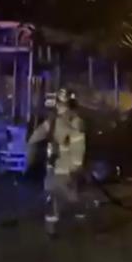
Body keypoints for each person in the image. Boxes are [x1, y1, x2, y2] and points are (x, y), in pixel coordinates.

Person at [25, 88, 86, 237]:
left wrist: (76, 166)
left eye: (62, 104)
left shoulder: (76, 122)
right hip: (53, 166)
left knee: (70, 197)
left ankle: (80, 214)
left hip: (67, 168)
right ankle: (51, 227)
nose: (60, 107)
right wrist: (30, 142)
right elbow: (40, 132)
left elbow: (79, 145)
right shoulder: (52, 120)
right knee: (51, 194)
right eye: (59, 103)